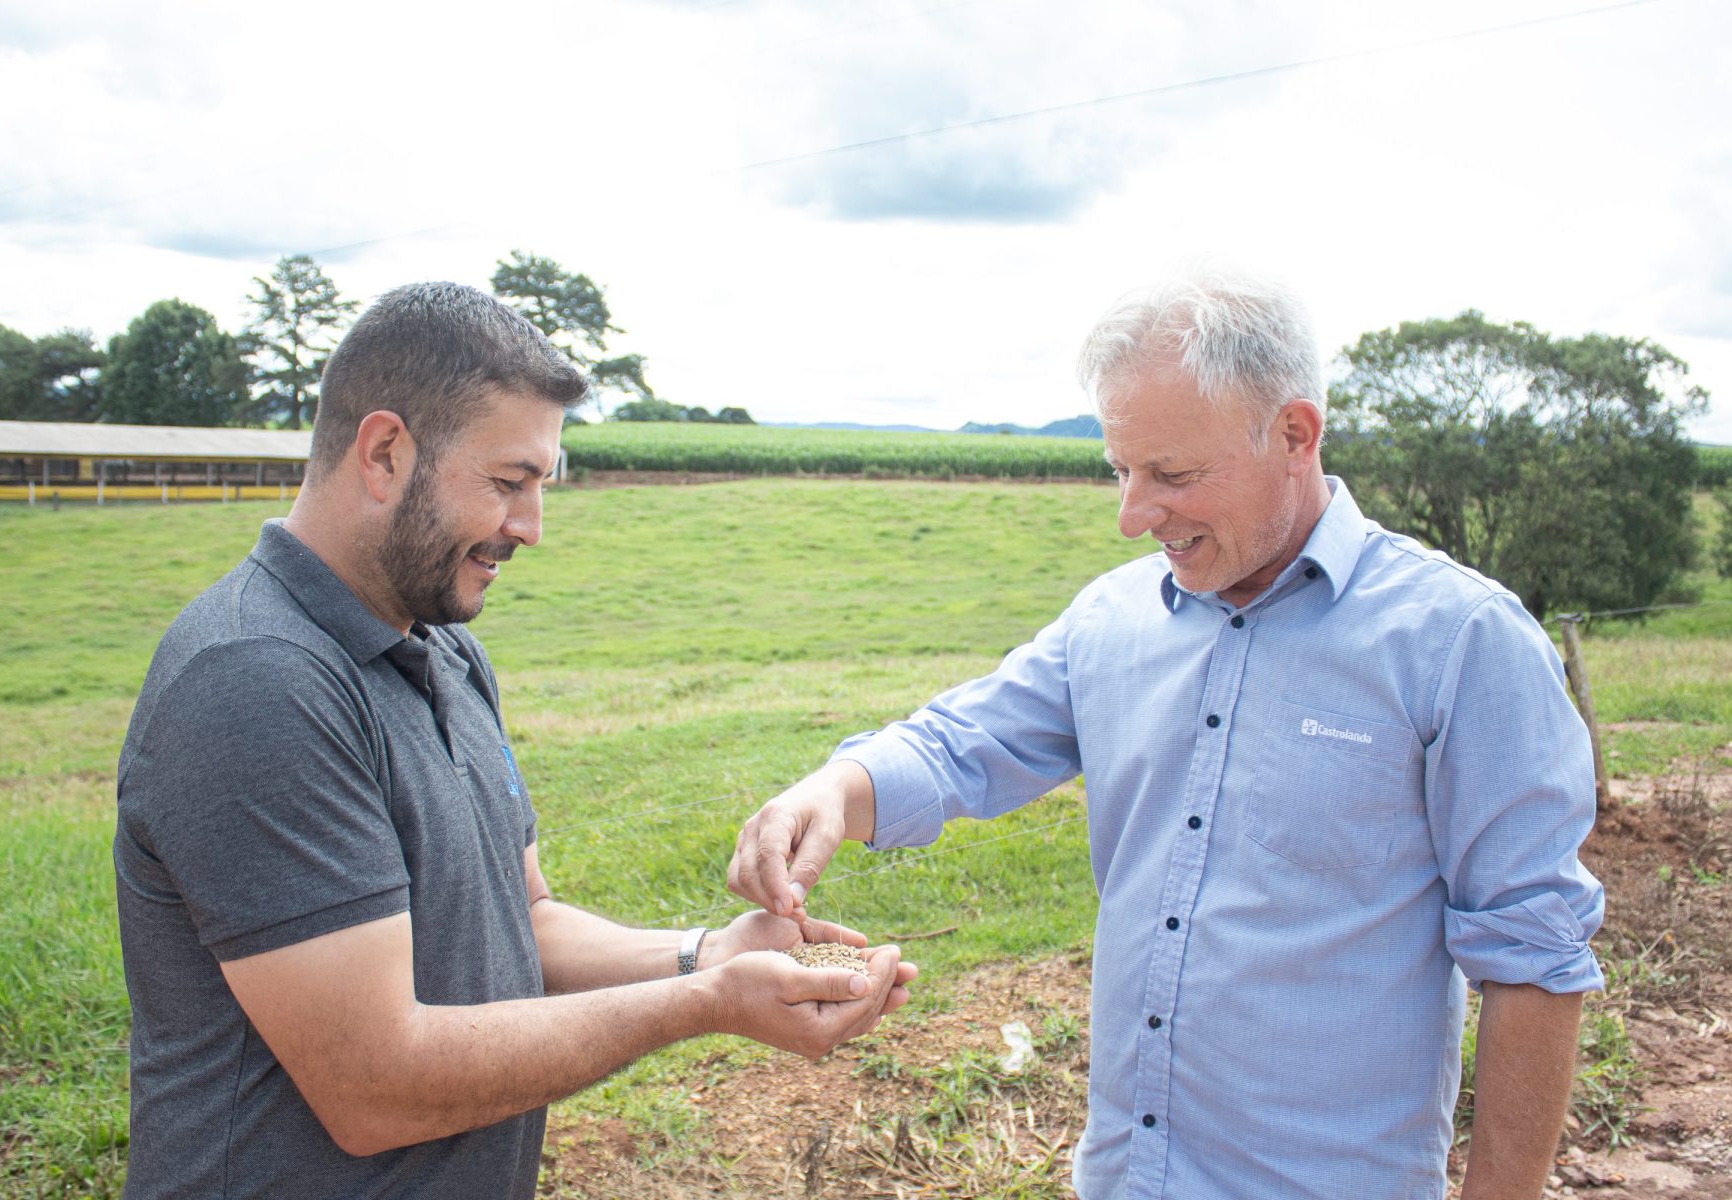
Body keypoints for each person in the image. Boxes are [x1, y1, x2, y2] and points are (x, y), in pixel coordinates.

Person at [727, 267, 1604, 1200]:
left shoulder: (1460, 640)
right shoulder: (1113, 620)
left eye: (1172, 475)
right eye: (1122, 470)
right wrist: (836, 789)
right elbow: (959, 744)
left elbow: (1533, 954)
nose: (1132, 516)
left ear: (1295, 435)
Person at [113, 281, 914, 1200]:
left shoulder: (444, 650)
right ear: (384, 453)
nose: (530, 528)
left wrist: (708, 954)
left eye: (540, 486)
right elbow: (376, 1086)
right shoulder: (256, 681)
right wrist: (705, 1004)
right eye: (508, 483)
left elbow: (523, 923)